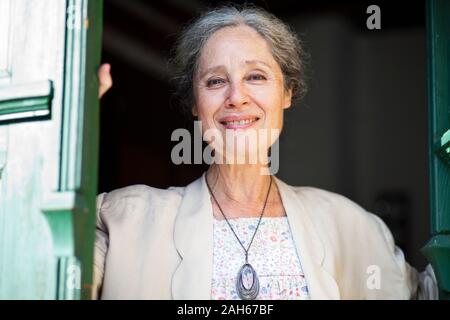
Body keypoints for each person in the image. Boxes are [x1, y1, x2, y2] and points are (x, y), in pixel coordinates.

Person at [93, 5, 438, 300]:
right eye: (215, 81)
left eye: (255, 76)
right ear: (195, 105)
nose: (236, 97)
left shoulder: (347, 224)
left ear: (286, 93)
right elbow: (46, 271)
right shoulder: (123, 221)